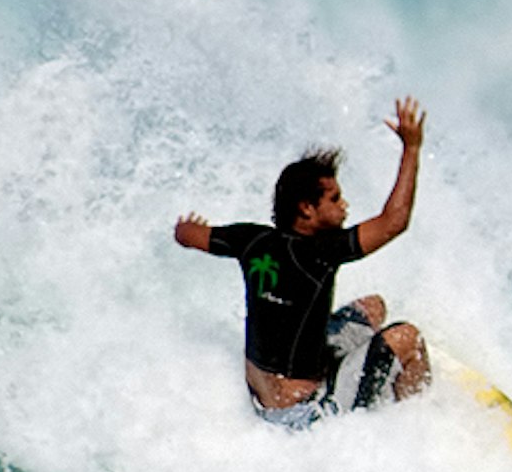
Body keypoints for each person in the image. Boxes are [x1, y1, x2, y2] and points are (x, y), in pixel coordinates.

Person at [174, 98, 433, 425]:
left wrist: (184, 228)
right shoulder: (323, 251)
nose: (345, 206)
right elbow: (394, 221)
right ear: (306, 209)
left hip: (264, 396)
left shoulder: (250, 239)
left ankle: (353, 369)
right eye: (335, 199)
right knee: (407, 337)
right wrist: (412, 148)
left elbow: (190, 235)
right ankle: (415, 421)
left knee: (373, 307)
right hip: (309, 412)